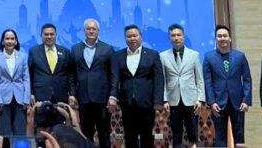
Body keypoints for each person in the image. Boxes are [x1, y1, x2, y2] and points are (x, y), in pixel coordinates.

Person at [113, 24, 164, 148]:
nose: (132, 38)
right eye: (129, 36)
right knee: (130, 136)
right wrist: (114, 97)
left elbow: (159, 79)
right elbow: (115, 78)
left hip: (147, 102)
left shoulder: (152, 54)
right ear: (125, 38)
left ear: (140, 37)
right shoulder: (118, 55)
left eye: (135, 36)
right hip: (127, 102)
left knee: (147, 135)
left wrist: (158, 100)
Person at [69, 19, 116, 148]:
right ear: (84, 31)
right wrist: (72, 93)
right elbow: (71, 74)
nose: (91, 31)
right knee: (85, 134)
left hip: (103, 100)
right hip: (83, 99)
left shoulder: (108, 49)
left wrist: (113, 96)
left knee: (104, 134)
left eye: (94, 29)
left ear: (98, 31)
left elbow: (114, 75)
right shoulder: (75, 49)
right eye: (88, 29)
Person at [204, 24, 251, 147]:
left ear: (230, 38)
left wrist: (246, 100)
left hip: (238, 103)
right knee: (220, 138)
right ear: (216, 39)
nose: (222, 38)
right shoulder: (209, 57)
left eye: (225, 36)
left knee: (239, 138)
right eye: (219, 36)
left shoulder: (240, 56)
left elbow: (247, 79)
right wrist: (211, 102)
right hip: (218, 103)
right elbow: (208, 82)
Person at [160, 24, 204, 148]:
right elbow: (163, 80)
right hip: (173, 100)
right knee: (176, 133)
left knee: (193, 133)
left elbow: (199, 79)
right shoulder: (163, 56)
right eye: (173, 35)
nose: (176, 38)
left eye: (178, 35)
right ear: (169, 38)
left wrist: (200, 99)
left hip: (191, 99)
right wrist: (165, 100)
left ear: (183, 37)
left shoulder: (194, 55)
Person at [0, 28, 30, 137]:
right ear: (2, 42)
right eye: (7, 38)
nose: (10, 41)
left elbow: (26, 78)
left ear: (16, 42)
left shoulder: (23, 56)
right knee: (5, 134)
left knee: (20, 132)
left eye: (12, 39)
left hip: (20, 99)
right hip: (3, 99)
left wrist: (26, 98)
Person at [28, 24, 74, 104]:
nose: (49, 37)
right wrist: (31, 93)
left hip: (61, 94)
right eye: (46, 34)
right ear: (41, 36)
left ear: (56, 35)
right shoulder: (34, 51)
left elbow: (70, 74)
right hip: (40, 94)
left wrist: (72, 93)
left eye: (52, 34)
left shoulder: (65, 51)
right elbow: (30, 74)